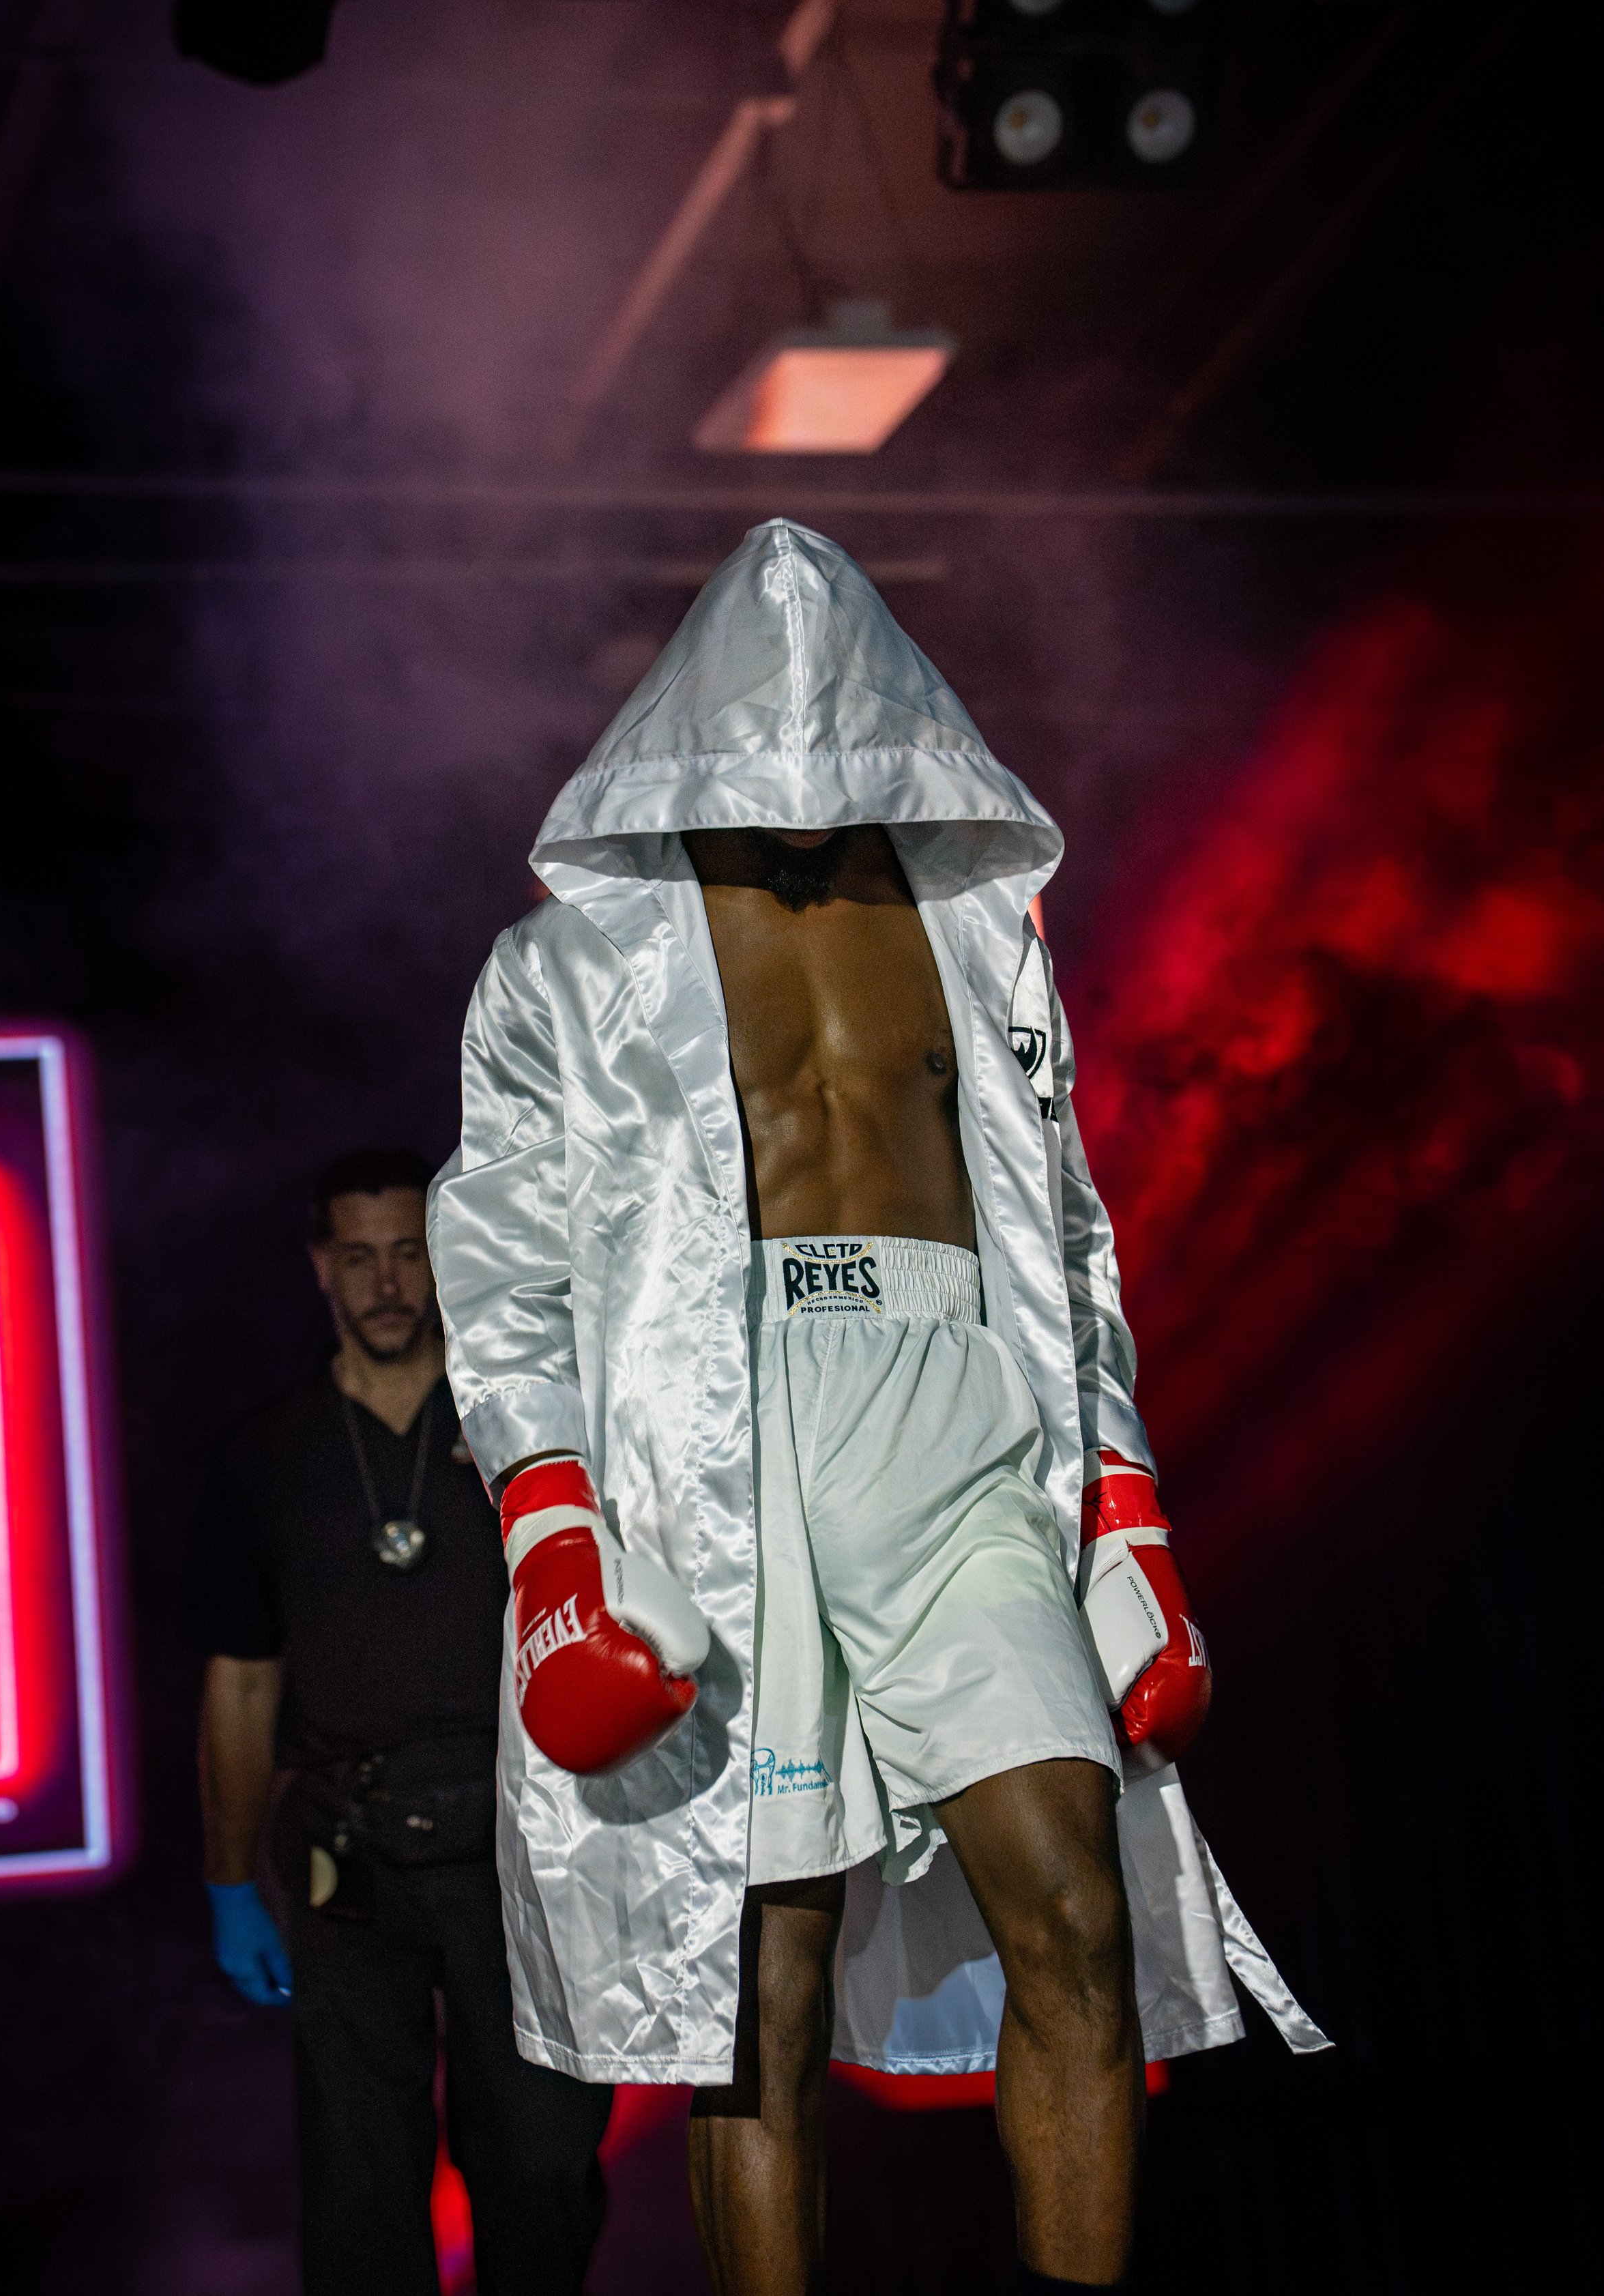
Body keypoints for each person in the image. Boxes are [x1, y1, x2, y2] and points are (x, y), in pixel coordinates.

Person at [428, 523, 1326, 2296]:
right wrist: (552, 1536)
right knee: (759, 1980)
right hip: (725, 1436)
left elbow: (1060, 1232)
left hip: (953, 1423)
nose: (795, 777)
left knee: (1073, 1903)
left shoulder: (979, 936)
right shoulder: (571, 964)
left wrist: (1124, 1515)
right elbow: (500, 1254)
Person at [184, 1147, 614, 2296]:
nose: (386, 1283)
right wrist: (230, 1883)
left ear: (446, 1258)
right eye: (360, 1256)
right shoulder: (265, 1452)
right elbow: (239, 1679)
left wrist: (551, 1477)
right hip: (345, 1852)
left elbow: (634, 1614)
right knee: (362, 2193)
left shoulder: (534, 1425)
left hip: (523, 1849)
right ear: (321, 1265)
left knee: (543, 2168)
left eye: (410, 1254)